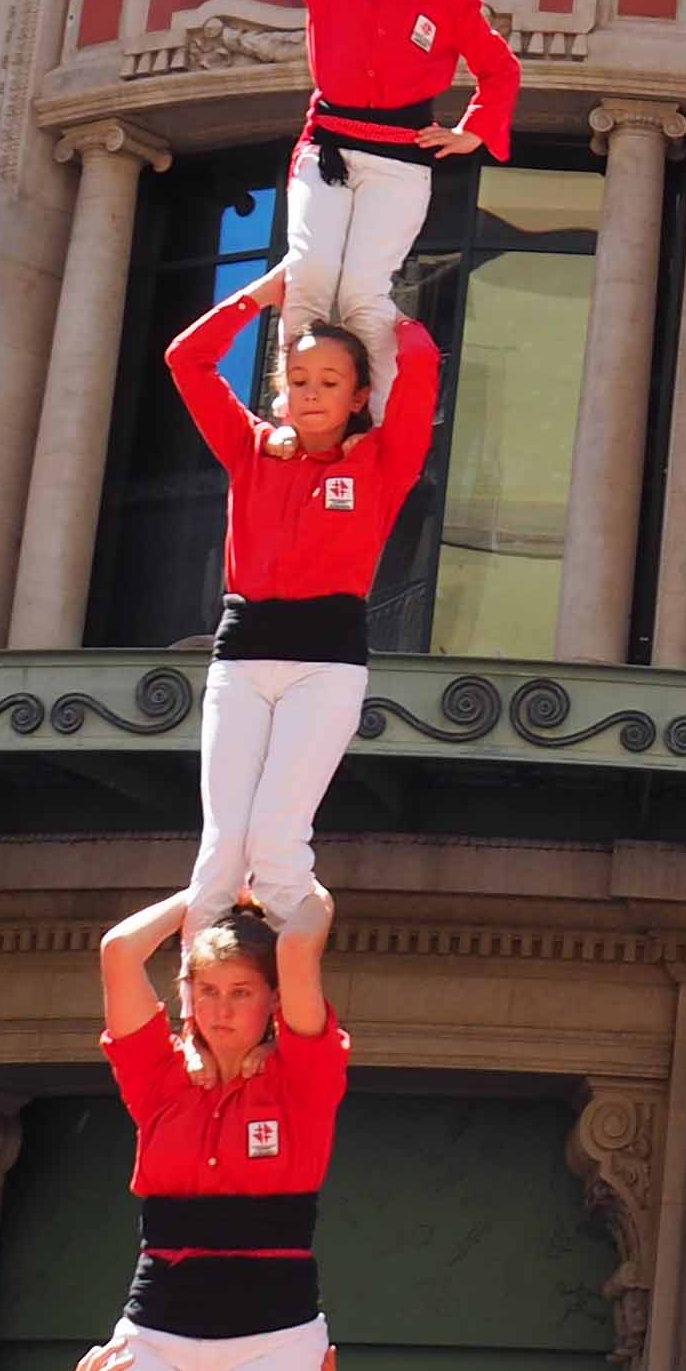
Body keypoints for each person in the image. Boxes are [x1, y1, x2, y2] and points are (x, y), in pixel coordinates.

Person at [163, 255, 442, 926]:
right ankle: (198, 1014)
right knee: (222, 853)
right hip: (242, 654)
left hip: (326, 663)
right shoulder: (249, 447)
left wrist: (389, 314)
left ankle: (298, 999)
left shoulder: (384, 462)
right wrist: (258, 297)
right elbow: (187, 360)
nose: (311, 391)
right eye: (298, 379)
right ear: (282, 390)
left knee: (277, 848)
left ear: (359, 397)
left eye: (330, 380)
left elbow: (424, 366)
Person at [94, 885, 346, 1371]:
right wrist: (200, 896)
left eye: (240, 992)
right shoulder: (161, 1079)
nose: (221, 1009)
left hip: (270, 1335)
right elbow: (118, 953)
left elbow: (298, 946)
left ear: (271, 1000)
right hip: (159, 1331)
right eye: (206, 991)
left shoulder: (304, 1077)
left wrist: (304, 893)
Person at [251, 0, 519, 419]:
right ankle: (293, 409)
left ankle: (376, 425)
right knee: (311, 273)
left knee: (363, 293)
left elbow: (499, 69)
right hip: (327, 150)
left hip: (401, 160)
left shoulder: (454, 5)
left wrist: (474, 128)